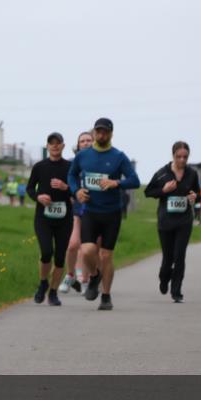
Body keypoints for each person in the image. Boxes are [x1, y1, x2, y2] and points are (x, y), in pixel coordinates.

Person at [67, 117, 141, 310]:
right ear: (94, 133)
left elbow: (134, 180)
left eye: (105, 132)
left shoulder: (118, 156)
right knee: (87, 250)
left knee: (107, 255)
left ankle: (106, 296)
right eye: (98, 131)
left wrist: (116, 183)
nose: (101, 135)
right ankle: (94, 275)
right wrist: (76, 191)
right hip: (90, 211)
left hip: (111, 213)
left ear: (111, 134)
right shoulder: (83, 156)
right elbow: (71, 175)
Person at [144, 141, 200, 303]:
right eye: (179, 157)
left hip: (184, 220)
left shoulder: (192, 173)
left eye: (185, 157)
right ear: (173, 155)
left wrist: (195, 196)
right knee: (168, 257)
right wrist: (164, 190)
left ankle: (177, 291)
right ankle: (163, 278)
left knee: (179, 256)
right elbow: (148, 192)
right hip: (166, 221)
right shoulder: (162, 173)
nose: (182, 160)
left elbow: (197, 192)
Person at [26, 132, 73, 306]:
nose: (54, 146)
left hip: (64, 219)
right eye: (51, 143)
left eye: (58, 143)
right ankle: (43, 282)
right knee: (46, 252)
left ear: (63, 146)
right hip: (43, 217)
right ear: (47, 146)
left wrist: (65, 187)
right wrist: (38, 197)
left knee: (60, 257)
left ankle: (53, 293)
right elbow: (30, 188)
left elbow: (77, 191)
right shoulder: (39, 167)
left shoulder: (69, 167)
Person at [60, 131, 94, 294]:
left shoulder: (99, 162)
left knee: (90, 248)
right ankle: (70, 275)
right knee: (73, 244)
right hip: (77, 210)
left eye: (89, 140)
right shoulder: (73, 163)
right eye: (83, 141)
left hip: (97, 210)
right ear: (78, 145)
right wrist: (70, 193)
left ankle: (87, 280)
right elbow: (67, 182)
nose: (86, 143)